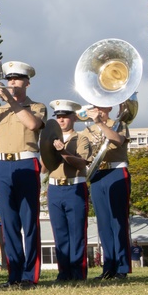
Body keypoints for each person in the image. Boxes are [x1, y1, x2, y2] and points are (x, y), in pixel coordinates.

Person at [0, 61, 45, 288]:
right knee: (9, 223)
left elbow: (32, 125)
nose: (12, 83)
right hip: (3, 165)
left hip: (26, 162)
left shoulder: (37, 106)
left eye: (17, 79)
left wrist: (11, 101)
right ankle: (14, 274)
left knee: (28, 220)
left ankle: (29, 275)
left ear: (27, 83)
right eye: (10, 79)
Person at [82, 102, 132, 281]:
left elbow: (118, 141)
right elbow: (85, 156)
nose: (98, 110)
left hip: (116, 172)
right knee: (103, 224)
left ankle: (122, 267)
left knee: (118, 221)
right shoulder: (87, 131)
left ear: (109, 108)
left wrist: (101, 124)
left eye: (101, 107)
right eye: (95, 107)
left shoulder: (119, 124)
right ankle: (109, 267)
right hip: (97, 174)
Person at [44, 99, 90, 282]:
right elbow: (43, 168)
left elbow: (81, 164)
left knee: (77, 233)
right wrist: (46, 149)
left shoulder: (82, 138)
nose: (61, 120)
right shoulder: (51, 138)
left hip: (75, 186)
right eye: (58, 117)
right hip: (55, 188)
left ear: (74, 118)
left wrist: (63, 152)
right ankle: (64, 273)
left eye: (65, 117)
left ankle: (78, 273)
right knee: (59, 233)